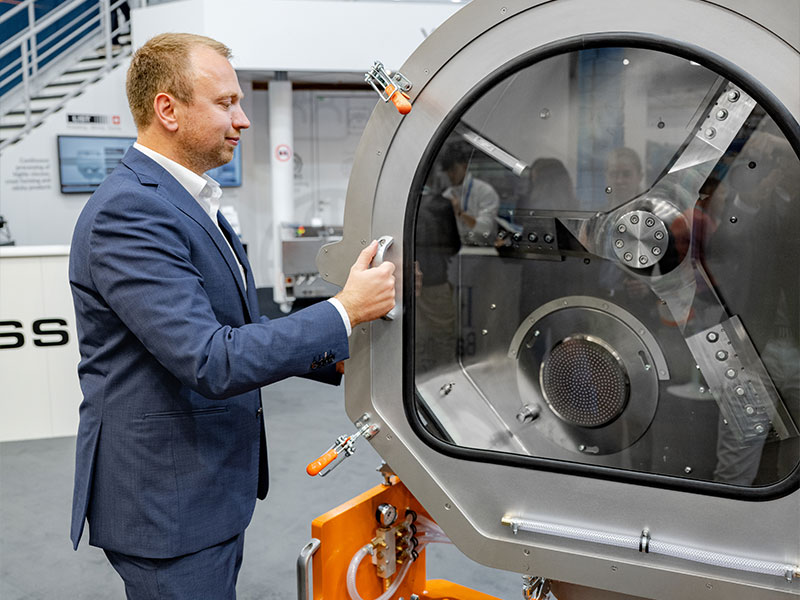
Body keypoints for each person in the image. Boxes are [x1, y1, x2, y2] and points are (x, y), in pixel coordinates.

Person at [68, 33, 395, 599]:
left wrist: (343, 361)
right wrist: (346, 309)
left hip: (204, 487)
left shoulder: (189, 202)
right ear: (167, 109)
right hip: (165, 502)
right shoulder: (130, 211)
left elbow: (241, 326)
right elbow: (211, 359)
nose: (243, 119)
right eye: (225, 103)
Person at [440, 141, 499, 245]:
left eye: (453, 170)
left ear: (464, 166)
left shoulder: (484, 191)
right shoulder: (446, 195)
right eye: (447, 171)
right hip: (456, 251)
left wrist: (460, 213)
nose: (450, 175)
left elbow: (485, 228)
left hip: (483, 251)